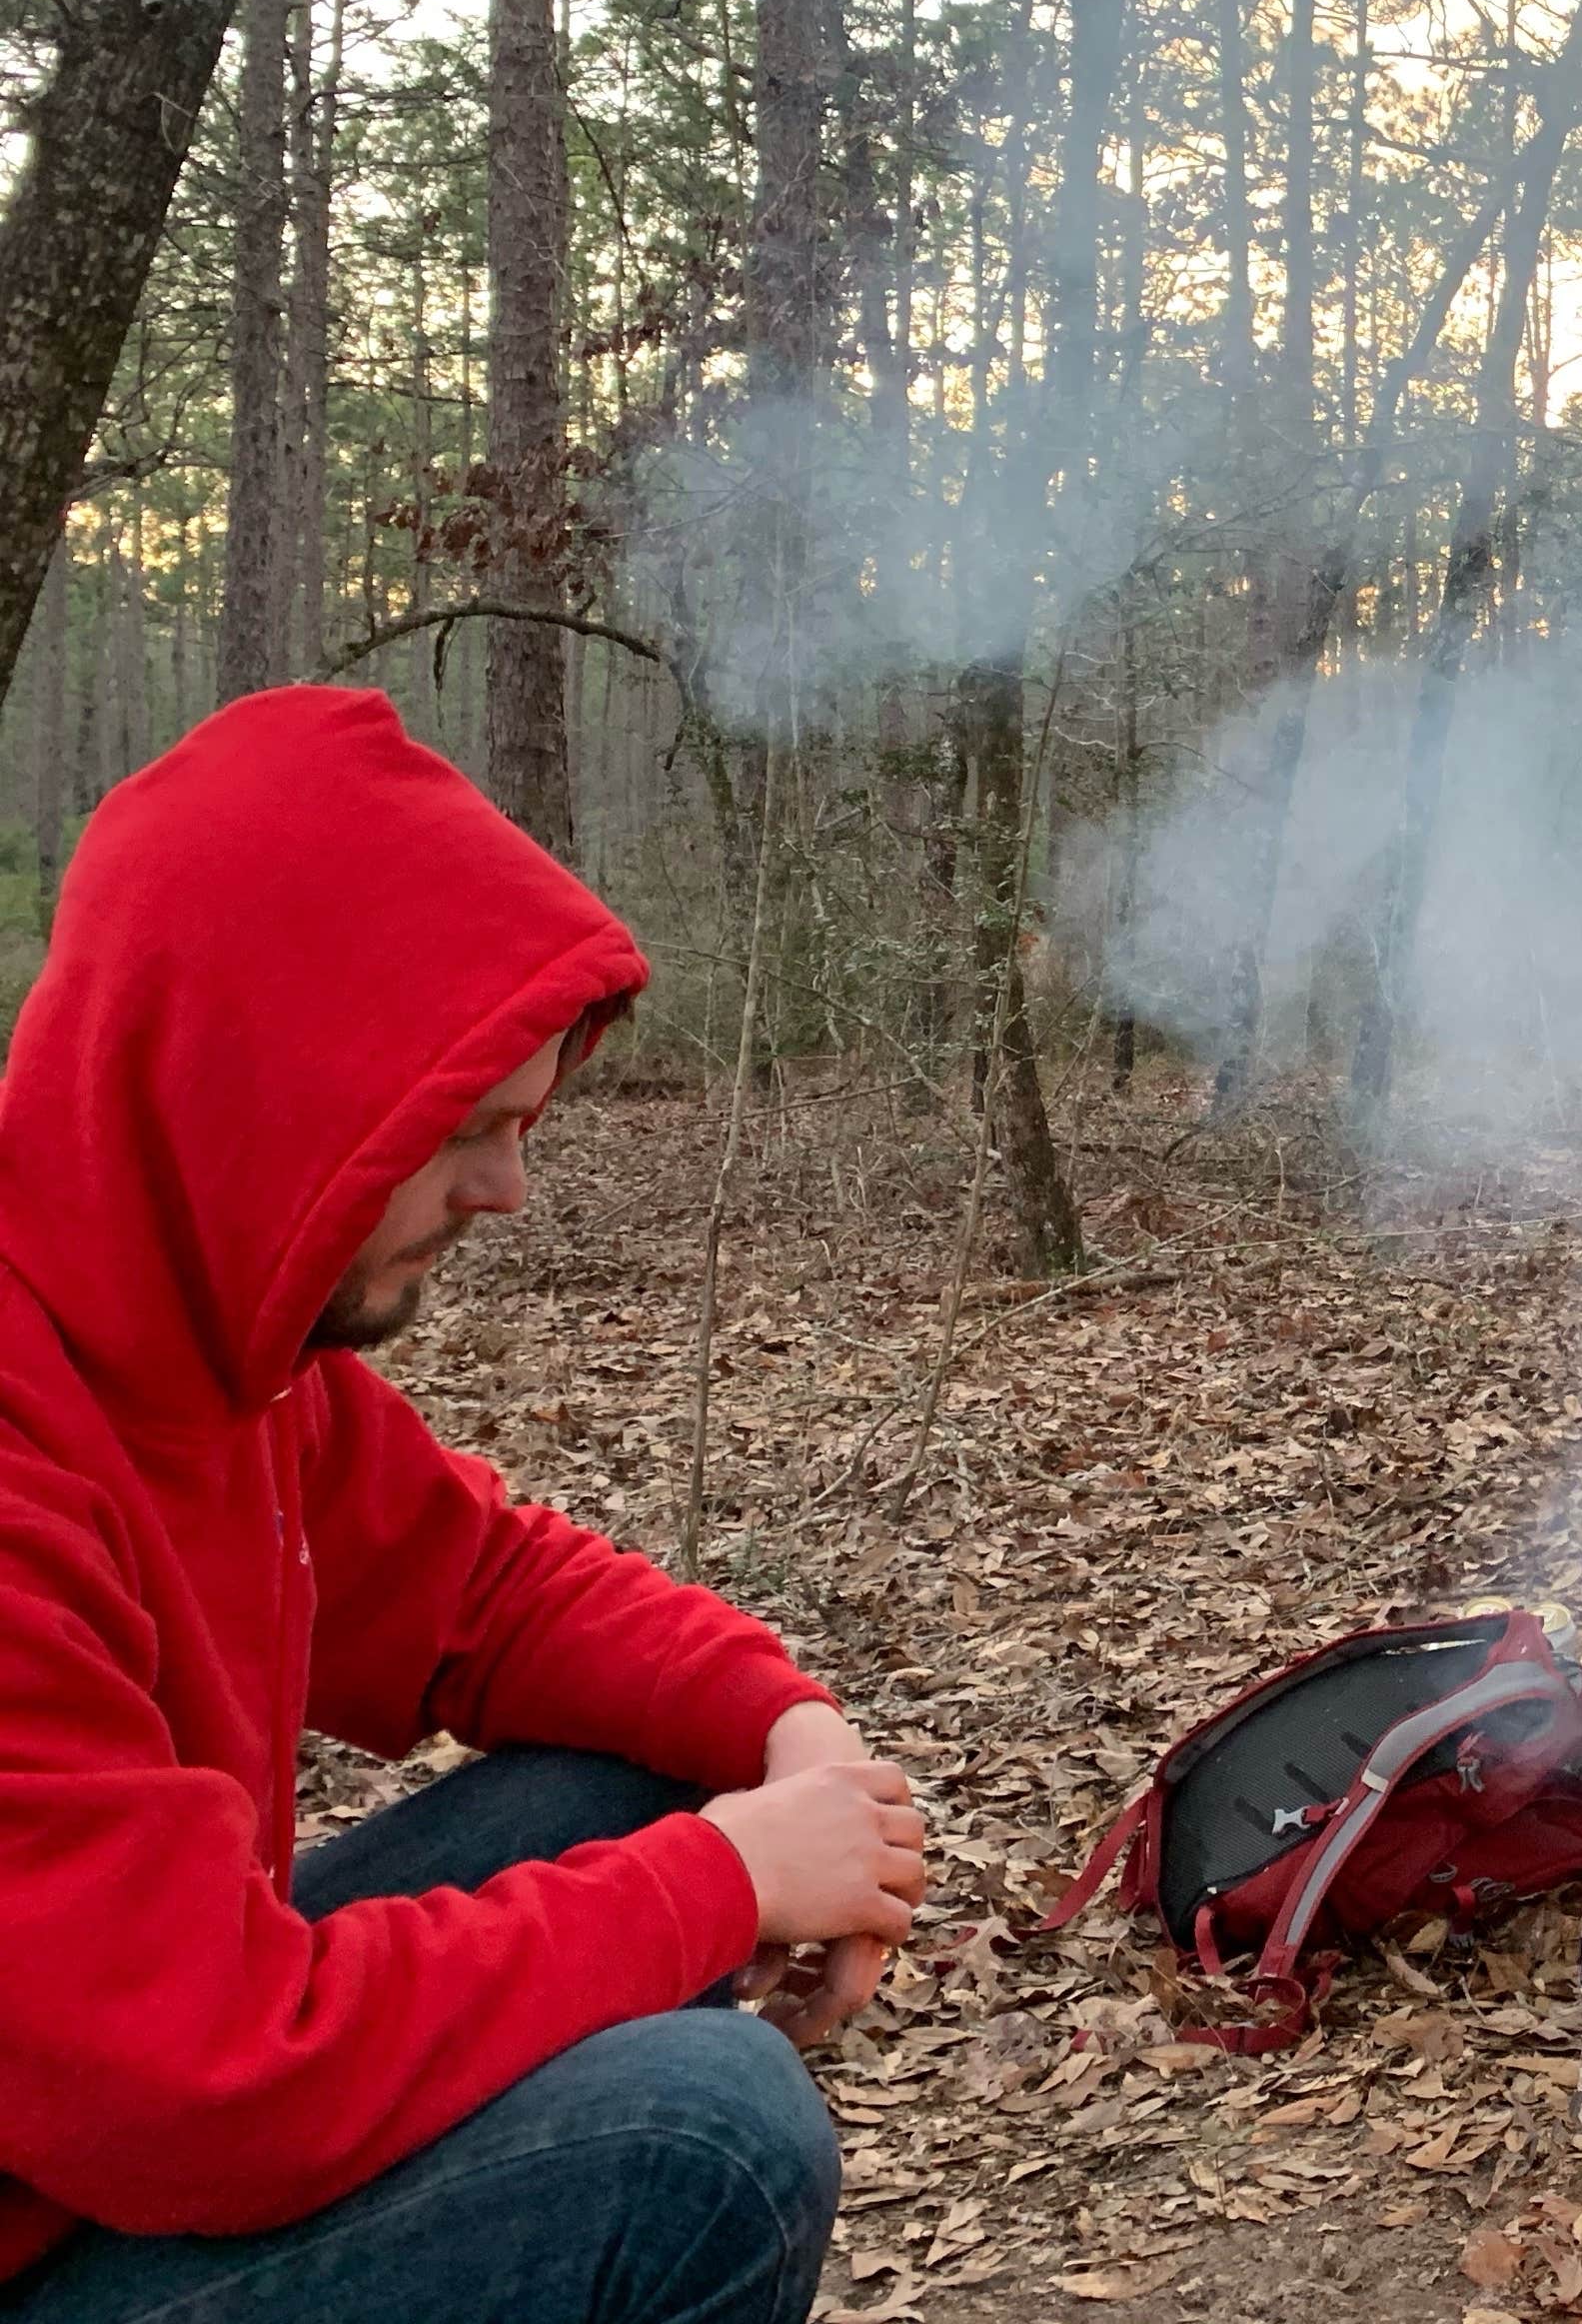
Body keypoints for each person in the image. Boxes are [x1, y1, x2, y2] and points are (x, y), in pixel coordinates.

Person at [0, 690, 928, 2322]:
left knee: (646, 1761)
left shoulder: (211, 1342)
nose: (508, 1187)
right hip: (95, 2170)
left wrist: (791, 1736)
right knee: (708, 2133)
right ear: (268, 1113)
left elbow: (486, 1590)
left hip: (87, 2138)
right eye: (467, 1129)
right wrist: (723, 1879)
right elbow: (215, 2077)